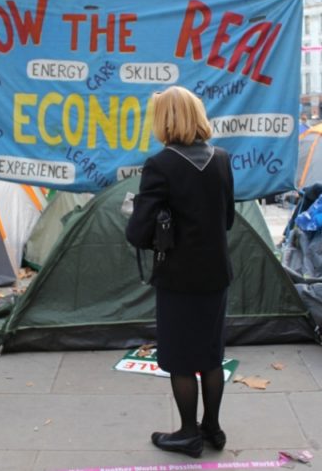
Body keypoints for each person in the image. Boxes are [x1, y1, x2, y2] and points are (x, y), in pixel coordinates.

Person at [126, 86, 234, 459]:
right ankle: (213, 429)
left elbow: (139, 233)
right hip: (216, 272)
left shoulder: (161, 164)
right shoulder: (221, 158)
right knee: (210, 354)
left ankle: (188, 433)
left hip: (178, 277)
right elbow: (229, 219)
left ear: (165, 120)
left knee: (179, 357)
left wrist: (140, 210)